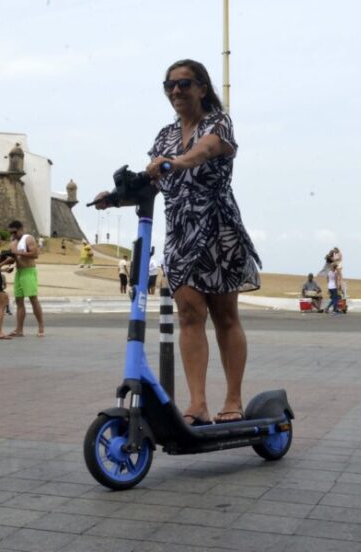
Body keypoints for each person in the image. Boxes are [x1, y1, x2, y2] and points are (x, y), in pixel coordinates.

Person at [95, 59, 261, 426]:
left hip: (218, 229)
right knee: (188, 314)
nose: (175, 91)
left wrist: (177, 162)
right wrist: (115, 197)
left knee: (225, 315)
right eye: (169, 85)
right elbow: (153, 181)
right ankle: (198, 403)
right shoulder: (164, 136)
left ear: (202, 87)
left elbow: (204, 151)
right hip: (181, 233)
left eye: (184, 84)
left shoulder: (218, 123)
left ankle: (233, 399)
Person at [8, 220, 45, 337]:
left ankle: (41, 327)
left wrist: (18, 253)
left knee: (33, 299)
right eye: (11, 233)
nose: (13, 235)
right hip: (19, 272)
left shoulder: (28, 238)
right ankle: (19, 329)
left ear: (21, 229)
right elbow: (14, 257)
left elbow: (35, 254)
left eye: (14, 232)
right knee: (19, 301)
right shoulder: (13, 242)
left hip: (29, 271)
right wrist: (6, 262)